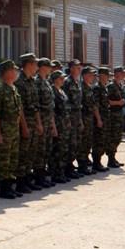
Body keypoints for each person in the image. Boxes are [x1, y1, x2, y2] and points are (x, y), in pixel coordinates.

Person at [0, 60, 25, 199]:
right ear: (6, 72)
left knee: (13, 158)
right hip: (4, 130)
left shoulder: (13, 88)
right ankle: (4, 188)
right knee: (4, 160)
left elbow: (19, 111)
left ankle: (11, 186)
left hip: (14, 130)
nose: (16, 72)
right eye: (13, 70)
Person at [16, 53, 43, 194]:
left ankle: (27, 180)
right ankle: (20, 182)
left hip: (33, 122)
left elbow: (36, 105)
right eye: (35, 64)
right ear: (28, 64)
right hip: (24, 122)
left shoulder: (32, 81)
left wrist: (38, 123)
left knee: (31, 152)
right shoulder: (19, 82)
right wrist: (24, 126)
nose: (37, 67)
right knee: (23, 153)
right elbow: (19, 108)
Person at [35, 58, 61, 186]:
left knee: (46, 149)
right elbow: (37, 106)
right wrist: (39, 123)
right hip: (40, 121)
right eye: (48, 66)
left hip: (48, 120)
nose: (51, 69)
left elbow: (50, 105)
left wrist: (52, 124)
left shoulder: (46, 82)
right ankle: (38, 177)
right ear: (42, 67)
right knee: (39, 150)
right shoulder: (37, 82)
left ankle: (43, 175)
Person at [63, 60, 87, 176]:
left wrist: (81, 120)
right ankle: (68, 167)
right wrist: (67, 120)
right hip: (70, 116)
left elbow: (79, 103)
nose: (79, 69)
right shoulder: (67, 82)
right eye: (77, 67)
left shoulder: (78, 83)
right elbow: (65, 103)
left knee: (77, 142)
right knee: (71, 142)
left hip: (77, 115)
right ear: (71, 68)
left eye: (80, 67)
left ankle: (71, 165)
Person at [50, 70, 72, 183]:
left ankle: (61, 172)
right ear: (55, 79)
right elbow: (52, 111)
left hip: (64, 123)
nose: (63, 80)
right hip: (58, 123)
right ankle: (55, 174)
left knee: (63, 148)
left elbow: (66, 108)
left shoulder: (62, 91)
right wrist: (53, 126)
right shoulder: (53, 91)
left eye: (63, 78)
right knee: (57, 150)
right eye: (60, 78)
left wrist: (68, 121)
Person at [79, 66, 102, 173]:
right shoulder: (81, 88)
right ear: (84, 76)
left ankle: (85, 164)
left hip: (90, 119)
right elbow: (78, 106)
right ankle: (82, 166)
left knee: (88, 142)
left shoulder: (90, 88)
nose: (93, 77)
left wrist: (98, 119)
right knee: (83, 143)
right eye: (90, 75)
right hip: (83, 118)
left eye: (93, 75)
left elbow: (94, 106)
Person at [106, 66, 125, 168]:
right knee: (113, 137)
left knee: (118, 137)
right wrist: (118, 102)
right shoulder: (111, 86)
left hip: (119, 113)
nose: (124, 75)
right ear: (117, 74)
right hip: (113, 115)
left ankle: (113, 157)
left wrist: (121, 103)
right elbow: (107, 101)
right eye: (122, 73)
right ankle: (110, 159)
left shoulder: (120, 85)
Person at [92, 67, 112, 171]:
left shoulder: (104, 88)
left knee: (103, 140)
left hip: (105, 117)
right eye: (105, 76)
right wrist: (98, 119)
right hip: (99, 118)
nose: (107, 78)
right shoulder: (97, 88)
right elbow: (95, 105)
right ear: (101, 76)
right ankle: (96, 163)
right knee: (98, 140)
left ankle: (98, 162)